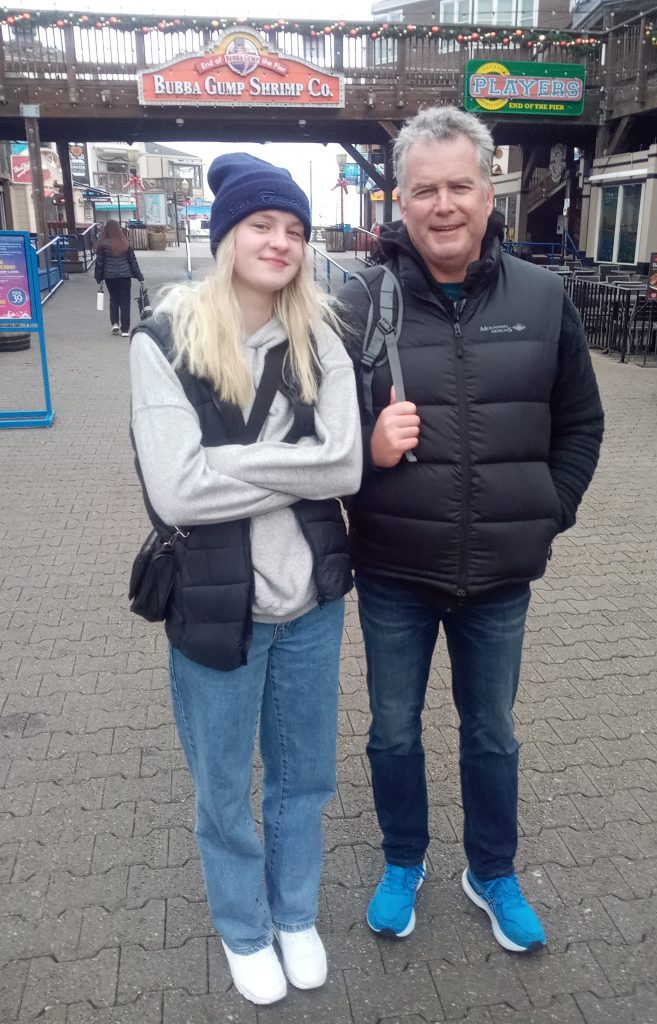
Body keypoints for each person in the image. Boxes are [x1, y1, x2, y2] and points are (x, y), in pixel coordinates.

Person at [338, 107, 604, 953]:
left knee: (492, 732)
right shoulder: (357, 301)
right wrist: (367, 451)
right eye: (425, 189)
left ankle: (491, 870)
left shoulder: (544, 295)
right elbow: (317, 435)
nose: (443, 204)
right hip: (391, 570)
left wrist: (547, 514)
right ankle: (403, 860)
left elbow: (582, 424)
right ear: (401, 202)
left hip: (500, 575)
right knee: (392, 729)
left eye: (460, 186)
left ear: (490, 196)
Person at [129, 154, 362, 1005]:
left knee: (304, 778)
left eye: (296, 230)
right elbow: (177, 490)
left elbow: (344, 467)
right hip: (215, 607)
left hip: (312, 605)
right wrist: (296, 464)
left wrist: (236, 462)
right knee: (224, 789)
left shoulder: (322, 338)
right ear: (226, 234)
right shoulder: (163, 342)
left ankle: (294, 913)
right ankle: (244, 927)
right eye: (263, 225)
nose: (282, 242)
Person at [94, 219, 144, 336]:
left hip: (109, 276)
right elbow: (133, 262)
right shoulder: (125, 243)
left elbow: (99, 263)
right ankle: (125, 329)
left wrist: (98, 277)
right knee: (125, 301)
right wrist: (140, 277)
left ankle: (115, 324)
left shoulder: (103, 244)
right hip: (125, 276)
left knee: (114, 299)